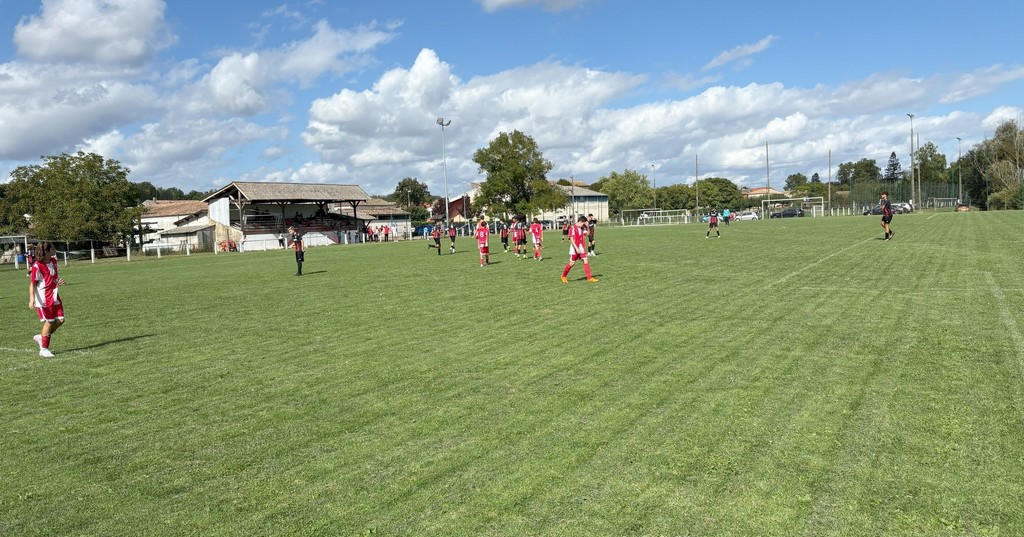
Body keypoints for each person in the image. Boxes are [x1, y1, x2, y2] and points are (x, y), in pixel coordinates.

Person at [28, 242, 65, 358]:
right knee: (50, 322)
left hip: (54, 295)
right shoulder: (37, 265)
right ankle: (44, 349)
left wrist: (57, 281)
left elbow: (51, 278)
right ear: (46, 251)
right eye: (53, 248)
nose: (55, 249)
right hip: (43, 298)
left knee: (61, 320)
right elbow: (32, 284)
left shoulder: (53, 261)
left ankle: (41, 337)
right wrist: (32, 299)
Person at [561, 215, 598, 283]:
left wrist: (587, 227)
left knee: (585, 260)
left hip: (581, 248)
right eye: (583, 224)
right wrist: (576, 248)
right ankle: (563, 276)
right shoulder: (572, 228)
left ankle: (589, 278)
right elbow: (572, 239)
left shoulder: (582, 228)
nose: (583, 225)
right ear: (580, 222)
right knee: (572, 263)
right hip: (574, 248)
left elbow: (587, 234)